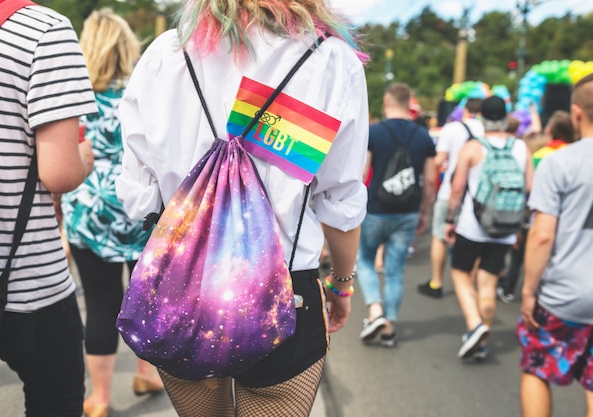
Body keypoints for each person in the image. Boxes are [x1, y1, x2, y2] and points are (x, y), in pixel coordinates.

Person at [115, 1, 369, 416]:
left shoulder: (164, 53)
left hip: (182, 287)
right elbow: (340, 200)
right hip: (286, 289)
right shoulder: (330, 60)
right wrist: (342, 283)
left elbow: (136, 196)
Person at [0, 1, 97, 416]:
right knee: (54, 397)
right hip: (25, 277)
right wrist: (86, 156)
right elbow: (58, 173)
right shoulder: (44, 29)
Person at [60, 9, 162, 417]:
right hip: (139, 208)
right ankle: (148, 373)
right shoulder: (144, 90)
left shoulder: (72, 92)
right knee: (146, 302)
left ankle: (100, 399)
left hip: (89, 208)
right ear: (126, 45)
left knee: (101, 304)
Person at [518, 74, 593, 417]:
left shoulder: (558, 162)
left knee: (536, 367)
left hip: (567, 294)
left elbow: (542, 234)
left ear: (576, 113)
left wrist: (529, 291)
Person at [445, 96, 534, 360]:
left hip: (473, 226)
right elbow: (530, 188)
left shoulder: (473, 147)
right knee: (488, 282)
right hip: (505, 227)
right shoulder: (520, 147)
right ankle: (481, 343)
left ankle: (475, 326)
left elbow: (458, 187)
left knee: (461, 274)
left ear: (482, 117)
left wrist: (450, 220)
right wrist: (517, 223)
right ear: (506, 118)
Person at [356, 82, 436, 346]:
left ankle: (375, 310)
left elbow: (362, 174)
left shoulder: (374, 132)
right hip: (409, 212)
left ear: (386, 103)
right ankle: (389, 328)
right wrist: (425, 212)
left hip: (377, 209)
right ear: (409, 103)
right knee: (394, 271)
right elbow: (431, 180)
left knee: (365, 260)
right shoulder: (424, 136)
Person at [497, 109, 575, 304]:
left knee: (519, 256)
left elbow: (527, 189)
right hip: (571, 224)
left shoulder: (541, 157)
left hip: (538, 218)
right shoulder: (581, 157)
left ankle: (510, 289)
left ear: (550, 131)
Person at [418, 97, 484, 299]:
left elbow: (439, 160)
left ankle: (436, 282)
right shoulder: (486, 131)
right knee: (473, 240)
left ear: (464, 110)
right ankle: (470, 284)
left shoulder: (452, 129)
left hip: (449, 192)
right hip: (476, 196)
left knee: (439, 236)